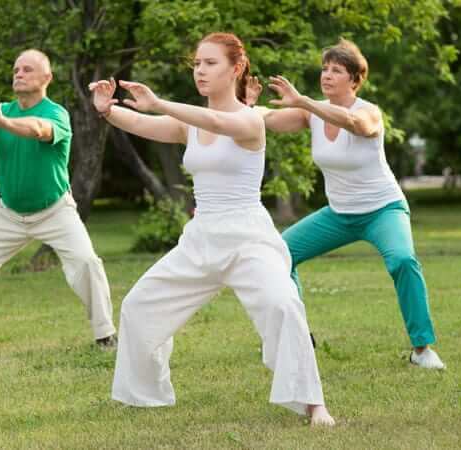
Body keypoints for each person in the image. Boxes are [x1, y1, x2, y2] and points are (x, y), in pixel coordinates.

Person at [89, 32, 335, 425]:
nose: (200, 71)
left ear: (236, 69)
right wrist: (107, 111)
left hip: (248, 238)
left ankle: (312, 402)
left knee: (283, 305)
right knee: (138, 306)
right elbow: (143, 122)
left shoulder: (251, 120)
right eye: (197, 64)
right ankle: (144, 395)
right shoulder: (190, 124)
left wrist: (159, 102)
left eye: (210, 63)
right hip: (201, 238)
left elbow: (217, 120)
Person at [247, 38, 445, 369]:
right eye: (324, 68)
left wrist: (305, 101)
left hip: (383, 209)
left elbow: (357, 125)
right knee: (280, 255)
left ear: (354, 80)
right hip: (339, 214)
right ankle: (297, 338)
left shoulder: (368, 111)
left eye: (336, 70)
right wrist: (245, 105)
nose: (327, 75)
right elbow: (264, 120)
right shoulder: (310, 114)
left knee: (402, 261)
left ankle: (422, 349)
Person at [0, 49, 116, 348]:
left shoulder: (55, 114)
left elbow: (37, 129)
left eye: (27, 69)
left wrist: (2, 122)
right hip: (9, 214)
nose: (19, 73)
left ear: (47, 78)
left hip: (55, 211)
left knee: (86, 263)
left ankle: (106, 335)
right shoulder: (0, 111)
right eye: (16, 69)